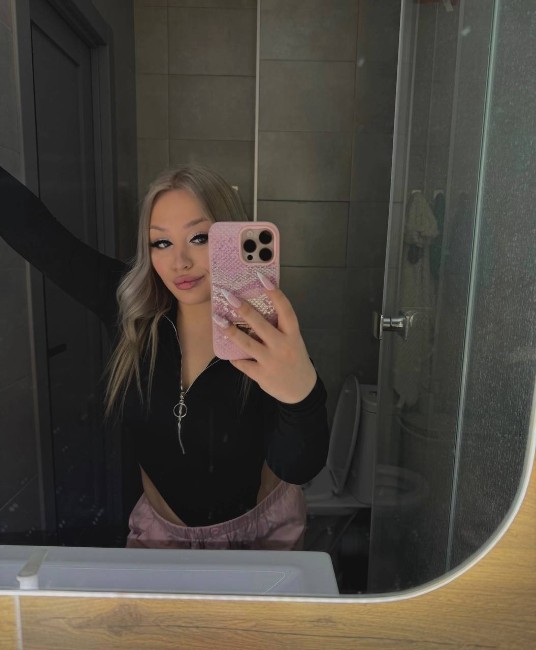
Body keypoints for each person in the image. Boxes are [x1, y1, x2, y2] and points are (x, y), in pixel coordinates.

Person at [0, 164, 329, 550]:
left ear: (230, 236)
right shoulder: (129, 309)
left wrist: (302, 397)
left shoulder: (263, 333)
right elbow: (36, 232)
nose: (179, 262)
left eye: (199, 237)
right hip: (160, 539)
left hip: (259, 537)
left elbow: (298, 467)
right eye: (161, 243)